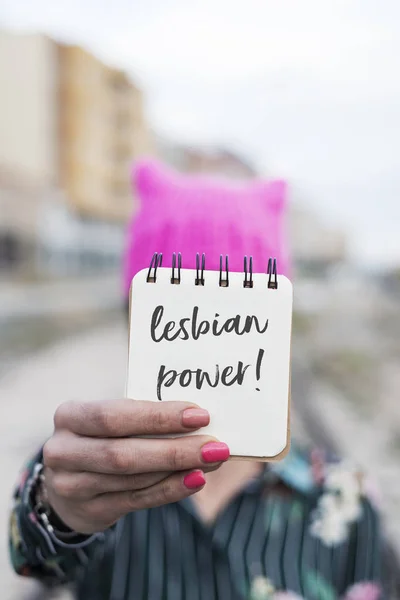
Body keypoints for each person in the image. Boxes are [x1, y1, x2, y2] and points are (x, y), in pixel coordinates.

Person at [9, 159, 384, 600]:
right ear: (134, 322)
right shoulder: (93, 476)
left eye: (239, 315)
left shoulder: (343, 501)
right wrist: (59, 510)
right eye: (178, 315)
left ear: (277, 324)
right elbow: (36, 561)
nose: (209, 338)